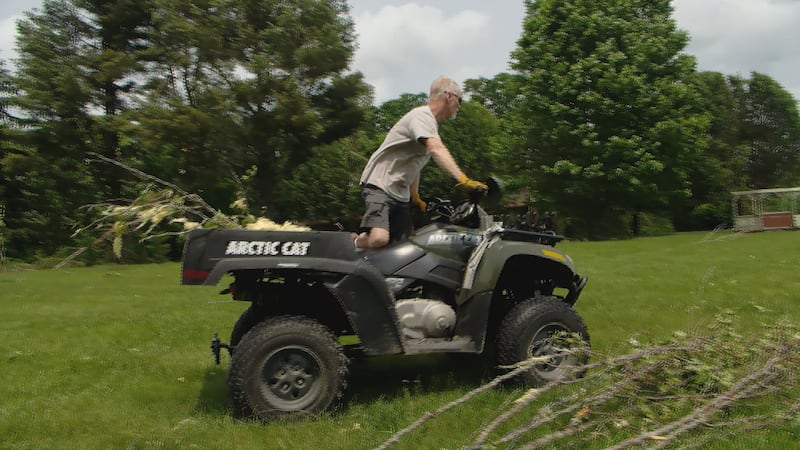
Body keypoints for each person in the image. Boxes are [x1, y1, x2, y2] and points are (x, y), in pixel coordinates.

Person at [354, 75, 488, 249]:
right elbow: (436, 149)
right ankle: (354, 242)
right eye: (459, 99)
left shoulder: (429, 125)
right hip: (380, 185)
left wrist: (415, 196)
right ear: (448, 96)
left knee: (402, 248)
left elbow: (414, 164)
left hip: (400, 194)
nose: (459, 106)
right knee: (380, 239)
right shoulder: (421, 116)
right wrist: (463, 180)